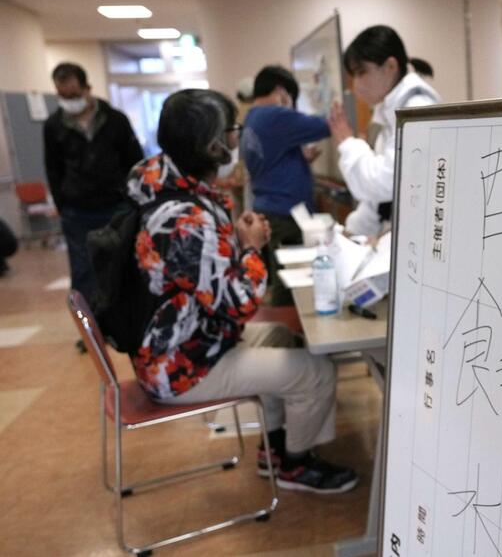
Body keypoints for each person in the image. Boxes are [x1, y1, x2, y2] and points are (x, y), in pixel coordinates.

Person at [127, 88, 357, 494]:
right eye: (232, 130)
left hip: (187, 340)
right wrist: (252, 248)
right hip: (182, 366)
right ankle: (295, 464)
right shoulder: (182, 216)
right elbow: (239, 305)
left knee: (285, 338)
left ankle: (275, 451)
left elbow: (198, 269)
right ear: (212, 144)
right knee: (317, 370)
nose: (238, 138)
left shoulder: (169, 187)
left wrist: (232, 238)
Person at [44, 62, 144, 350]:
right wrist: (62, 202)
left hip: (115, 206)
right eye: (63, 95)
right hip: (77, 210)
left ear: (87, 89)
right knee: (83, 272)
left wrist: (134, 200)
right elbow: (53, 168)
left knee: (123, 265)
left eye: (74, 94)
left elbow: (133, 161)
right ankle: (90, 332)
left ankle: (127, 322)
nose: (70, 101)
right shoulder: (54, 126)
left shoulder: (115, 120)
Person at [328, 25, 440, 237]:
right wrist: (351, 232)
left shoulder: (418, 109)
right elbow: (377, 203)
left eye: (361, 72)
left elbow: (384, 182)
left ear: (390, 66)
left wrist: (347, 143)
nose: (356, 85)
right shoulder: (391, 115)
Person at [241, 65, 331, 306]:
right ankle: (289, 336)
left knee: (281, 277)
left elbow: (269, 160)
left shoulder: (252, 118)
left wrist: (301, 159)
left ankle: (287, 330)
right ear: (282, 92)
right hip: (285, 214)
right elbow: (324, 126)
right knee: (291, 283)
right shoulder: (274, 115)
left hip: (269, 208)